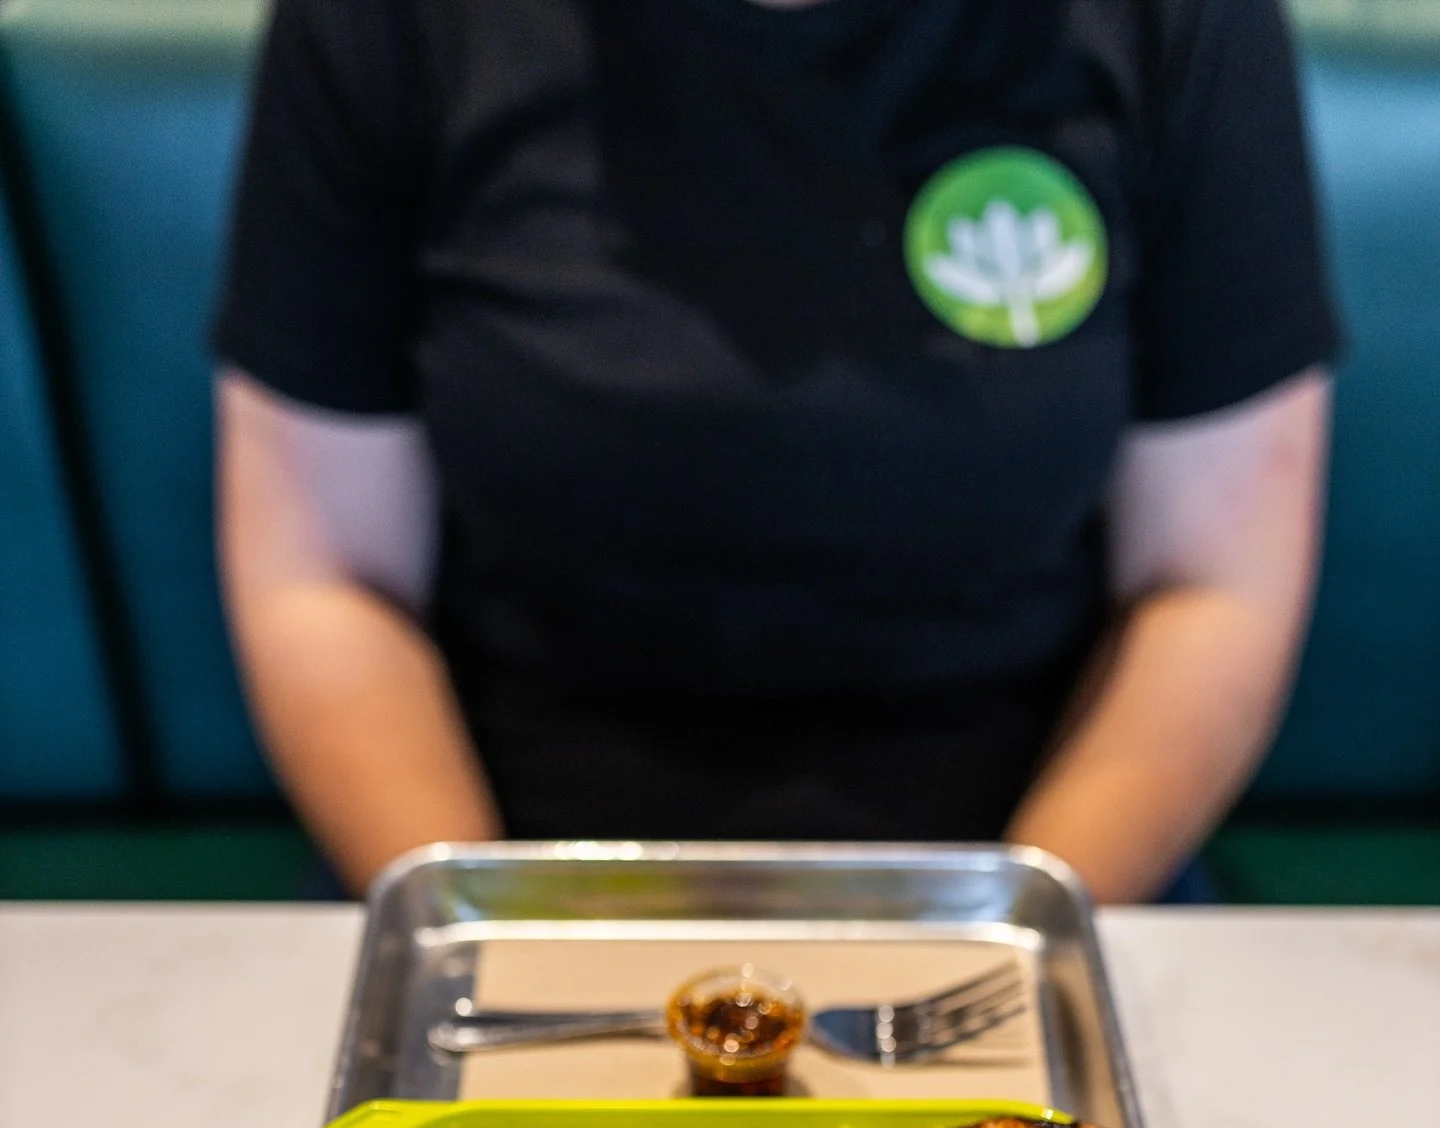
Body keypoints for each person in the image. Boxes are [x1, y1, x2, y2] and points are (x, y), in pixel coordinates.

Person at [214, 0, 1337, 901]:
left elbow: (1213, 586)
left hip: (1047, 852)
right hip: (506, 843)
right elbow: (323, 575)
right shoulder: (386, 25)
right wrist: (483, 941)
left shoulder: (1179, 22)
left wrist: (1005, 939)